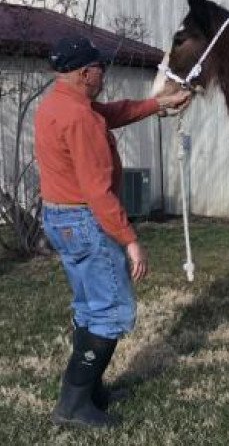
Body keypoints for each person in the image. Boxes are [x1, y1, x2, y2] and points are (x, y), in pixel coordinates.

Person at [34, 36, 190, 428]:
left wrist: (159, 103)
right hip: (86, 222)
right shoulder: (80, 118)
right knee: (111, 311)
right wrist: (131, 241)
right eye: (99, 68)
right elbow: (98, 192)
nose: (104, 73)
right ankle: (72, 407)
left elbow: (113, 112)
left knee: (89, 308)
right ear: (85, 73)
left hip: (60, 219)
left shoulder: (59, 103)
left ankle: (90, 392)